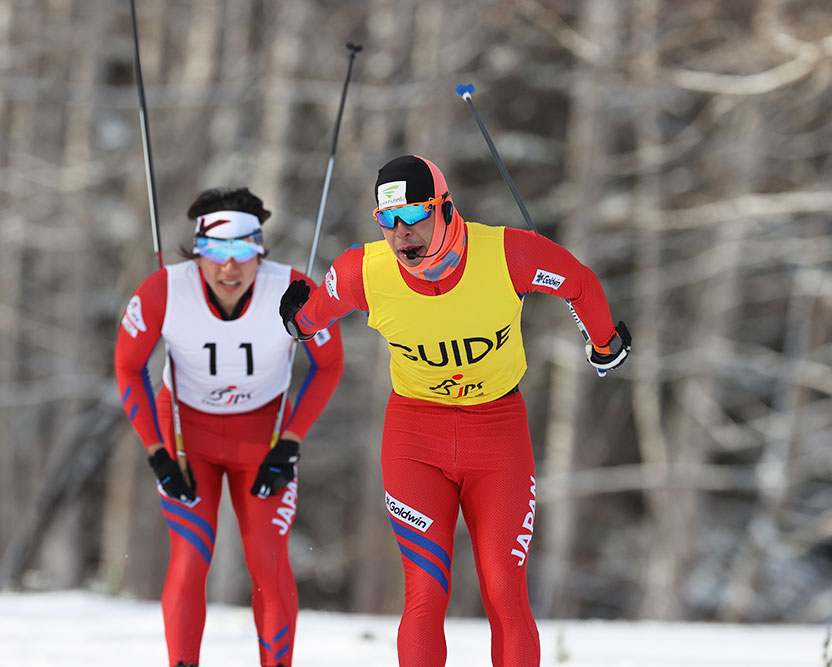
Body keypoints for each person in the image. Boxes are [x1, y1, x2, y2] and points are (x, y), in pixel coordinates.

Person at [279, 155, 630, 667]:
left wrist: (605, 343)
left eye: (414, 215)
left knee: (504, 588)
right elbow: (310, 317)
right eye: (387, 220)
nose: (401, 234)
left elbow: (577, 281)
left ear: (444, 208)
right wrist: (297, 318)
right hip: (415, 438)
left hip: (498, 434)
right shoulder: (364, 272)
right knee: (425, 592)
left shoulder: (507, 253)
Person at [115, 187, 344, 667]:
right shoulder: (162, 290)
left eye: (243, 250)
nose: (230, 267)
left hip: (263, 440)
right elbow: (127, 368)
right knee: (190, 557)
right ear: (198, 251)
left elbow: (329, 364)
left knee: (267, 560)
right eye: (217, 251)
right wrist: (157, 452)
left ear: (260, 248)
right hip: (184, 436)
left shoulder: (293, 290)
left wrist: (292, 441)